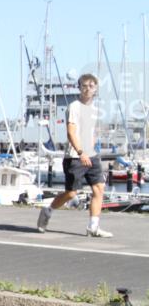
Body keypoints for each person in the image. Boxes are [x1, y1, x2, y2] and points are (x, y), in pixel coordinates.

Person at [37, 74, 111, 237]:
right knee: (71, 193)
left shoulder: (95, 110)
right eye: (84, 86)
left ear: (96, 89)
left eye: (91, 86)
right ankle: (47, 211)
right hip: (75, 156)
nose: (88, 89)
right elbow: (71, 132)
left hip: (91, 156)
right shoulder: (74, 107)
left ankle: (93, 227)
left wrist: (91, 149)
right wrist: (81, 152)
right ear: (79, 88)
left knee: (99, 189)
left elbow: (92, 132)